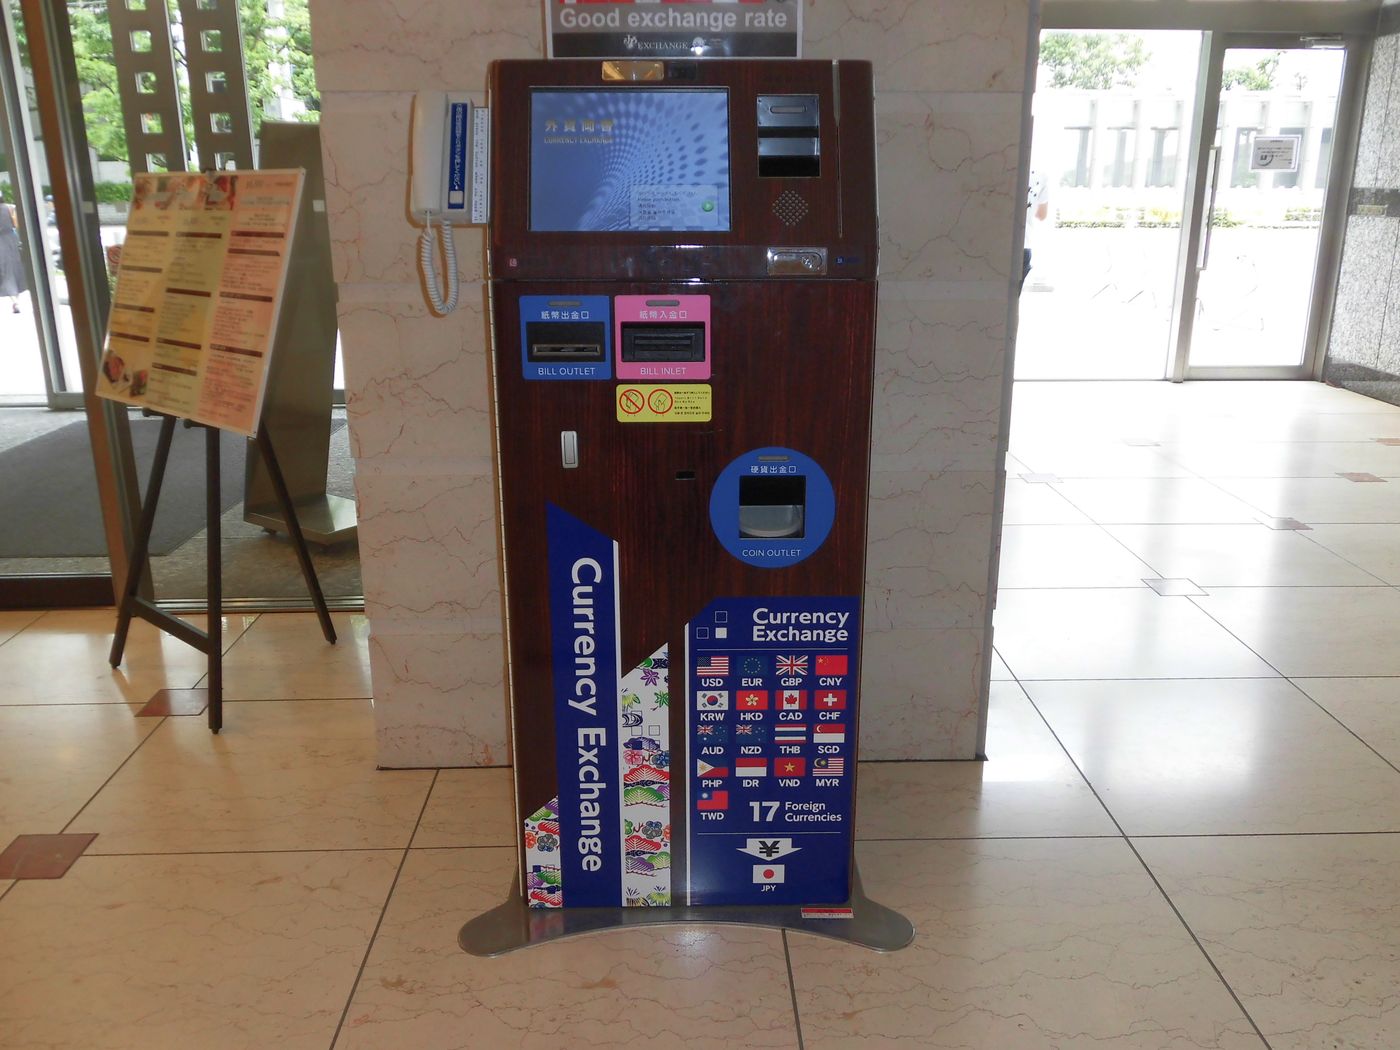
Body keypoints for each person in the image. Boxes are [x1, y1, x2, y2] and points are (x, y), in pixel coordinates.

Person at [1022, 169, 1049, 293]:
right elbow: (1042, 215)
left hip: (997, 242)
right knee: (1011, 300)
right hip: (1024, 243)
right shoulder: (1041, 174)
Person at [0, 200, 25, 314]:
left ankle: (14, 300)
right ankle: (16, 300)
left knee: (5, 270)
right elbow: (16, 224)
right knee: (15, 268)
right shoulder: (10, 207)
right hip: (11, 239)